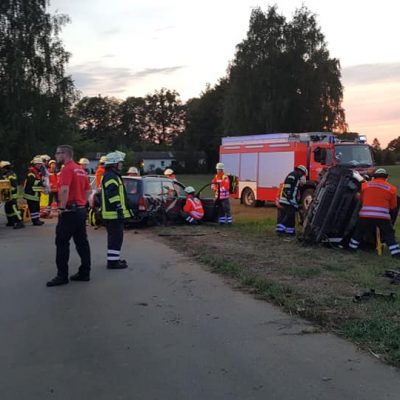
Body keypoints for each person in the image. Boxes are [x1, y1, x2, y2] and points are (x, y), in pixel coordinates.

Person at [46, 145, 92, 287]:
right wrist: (82, 203)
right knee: (82, 242)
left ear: (65, 154)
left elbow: (64, 190)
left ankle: (62, 276)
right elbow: (88, 190)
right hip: (80, 210)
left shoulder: (67, 169)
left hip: (69, 212)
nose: (55, 156)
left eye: (57, 153)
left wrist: (61, 207)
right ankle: (85, 272)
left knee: (61, 242)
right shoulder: (80, 169)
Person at [348, 168, 400, 257]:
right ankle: (396, 253)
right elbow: (393, 206)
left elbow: (362, 200)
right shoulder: (392, 189)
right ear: (385, 178)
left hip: (365, 215)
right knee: (388, 234)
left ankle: (352, 248)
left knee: (359, 232)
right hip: (382, 217)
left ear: (374, 177)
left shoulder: (365, 185)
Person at [101, 151, 133, 269]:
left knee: (116, 238)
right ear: (114, 163)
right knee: (115, 238)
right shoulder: (111, 175)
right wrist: (118, 207)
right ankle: (113, 262)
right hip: (113, 214)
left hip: (113, 214)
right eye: (120, 163)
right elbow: (112, 194)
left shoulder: (112, 174)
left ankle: (114, 260)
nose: (121, 165)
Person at [275, 165, 308, 236]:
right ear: (300, 171)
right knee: (289, 215)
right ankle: (280, 230)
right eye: (303, 174)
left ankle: (290, 232)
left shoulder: (296, 177)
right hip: (287, 201)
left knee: (291, 217)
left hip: (290, 201)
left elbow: (295, 191)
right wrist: (288, 195)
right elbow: (287, 186)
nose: (303, 176)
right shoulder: (293, 175)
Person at [0, 161, 24, 229]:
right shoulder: (6, 174)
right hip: (8, 194)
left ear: (5, 168)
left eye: (2, 168)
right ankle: (11, 221)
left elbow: (14, 185)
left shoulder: (10, 175)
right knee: (8, 208)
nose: (1, 170)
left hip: (12, 195)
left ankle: (20, 222)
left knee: (14, 208)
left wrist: (6, 190)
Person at [23, 157, 45, 225]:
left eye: (40, 164)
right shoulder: (31, 172)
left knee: (37, 207)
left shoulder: (37, 172)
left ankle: (37, 219)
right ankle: (35, 221)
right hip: (31, 194)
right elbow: (32, 182)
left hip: (35, 194)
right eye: (38, 164)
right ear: (35, 164)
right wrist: (41, 183)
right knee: (33, 208)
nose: (40, 165)